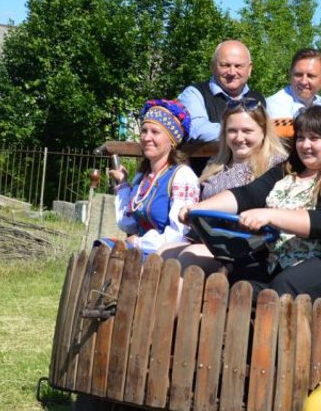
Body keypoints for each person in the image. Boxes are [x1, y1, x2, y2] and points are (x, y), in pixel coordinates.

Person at [184, 105, 321, 343]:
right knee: (240, 280)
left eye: (315, 138)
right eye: (301, 138)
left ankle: (282, 356)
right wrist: (199, 209)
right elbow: (246, 195)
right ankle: (235, 349)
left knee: (285, 284)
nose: (305, 145)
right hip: (280, 257)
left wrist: (270, 214)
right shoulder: (288, 170)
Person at [160, 100, 288, 272]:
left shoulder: (275, 164)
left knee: (189, 257)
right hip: (207, 238)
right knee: (162, 254)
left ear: (263, 131)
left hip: (245, 246)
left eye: (247, 131)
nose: (239, 137)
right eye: (232, 131)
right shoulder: (216, 163)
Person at [107, 99, 200, 254]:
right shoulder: (143, 177)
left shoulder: (182, 176)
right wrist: (123, 186)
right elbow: (128, 224)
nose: (146, 137)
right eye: (144, 131)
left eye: (155, 132)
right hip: (140, 253)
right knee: (101, 248)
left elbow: (180, 235)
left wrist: (138, 243)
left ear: (172, 141)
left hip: (165, 259)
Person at [176, 40, 266, 143]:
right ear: (213, 66)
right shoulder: (195, 94)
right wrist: (250, 133)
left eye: (238, 66)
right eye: (225, 65)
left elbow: (271, 134)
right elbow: (198, 130)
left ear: (249, 69)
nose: (232, 72)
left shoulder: (258, 99)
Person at [264, 48, 321, 121]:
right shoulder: (275, 106)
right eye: (298, 75)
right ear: (290, 75)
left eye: (310, 76)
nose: (303, 82)